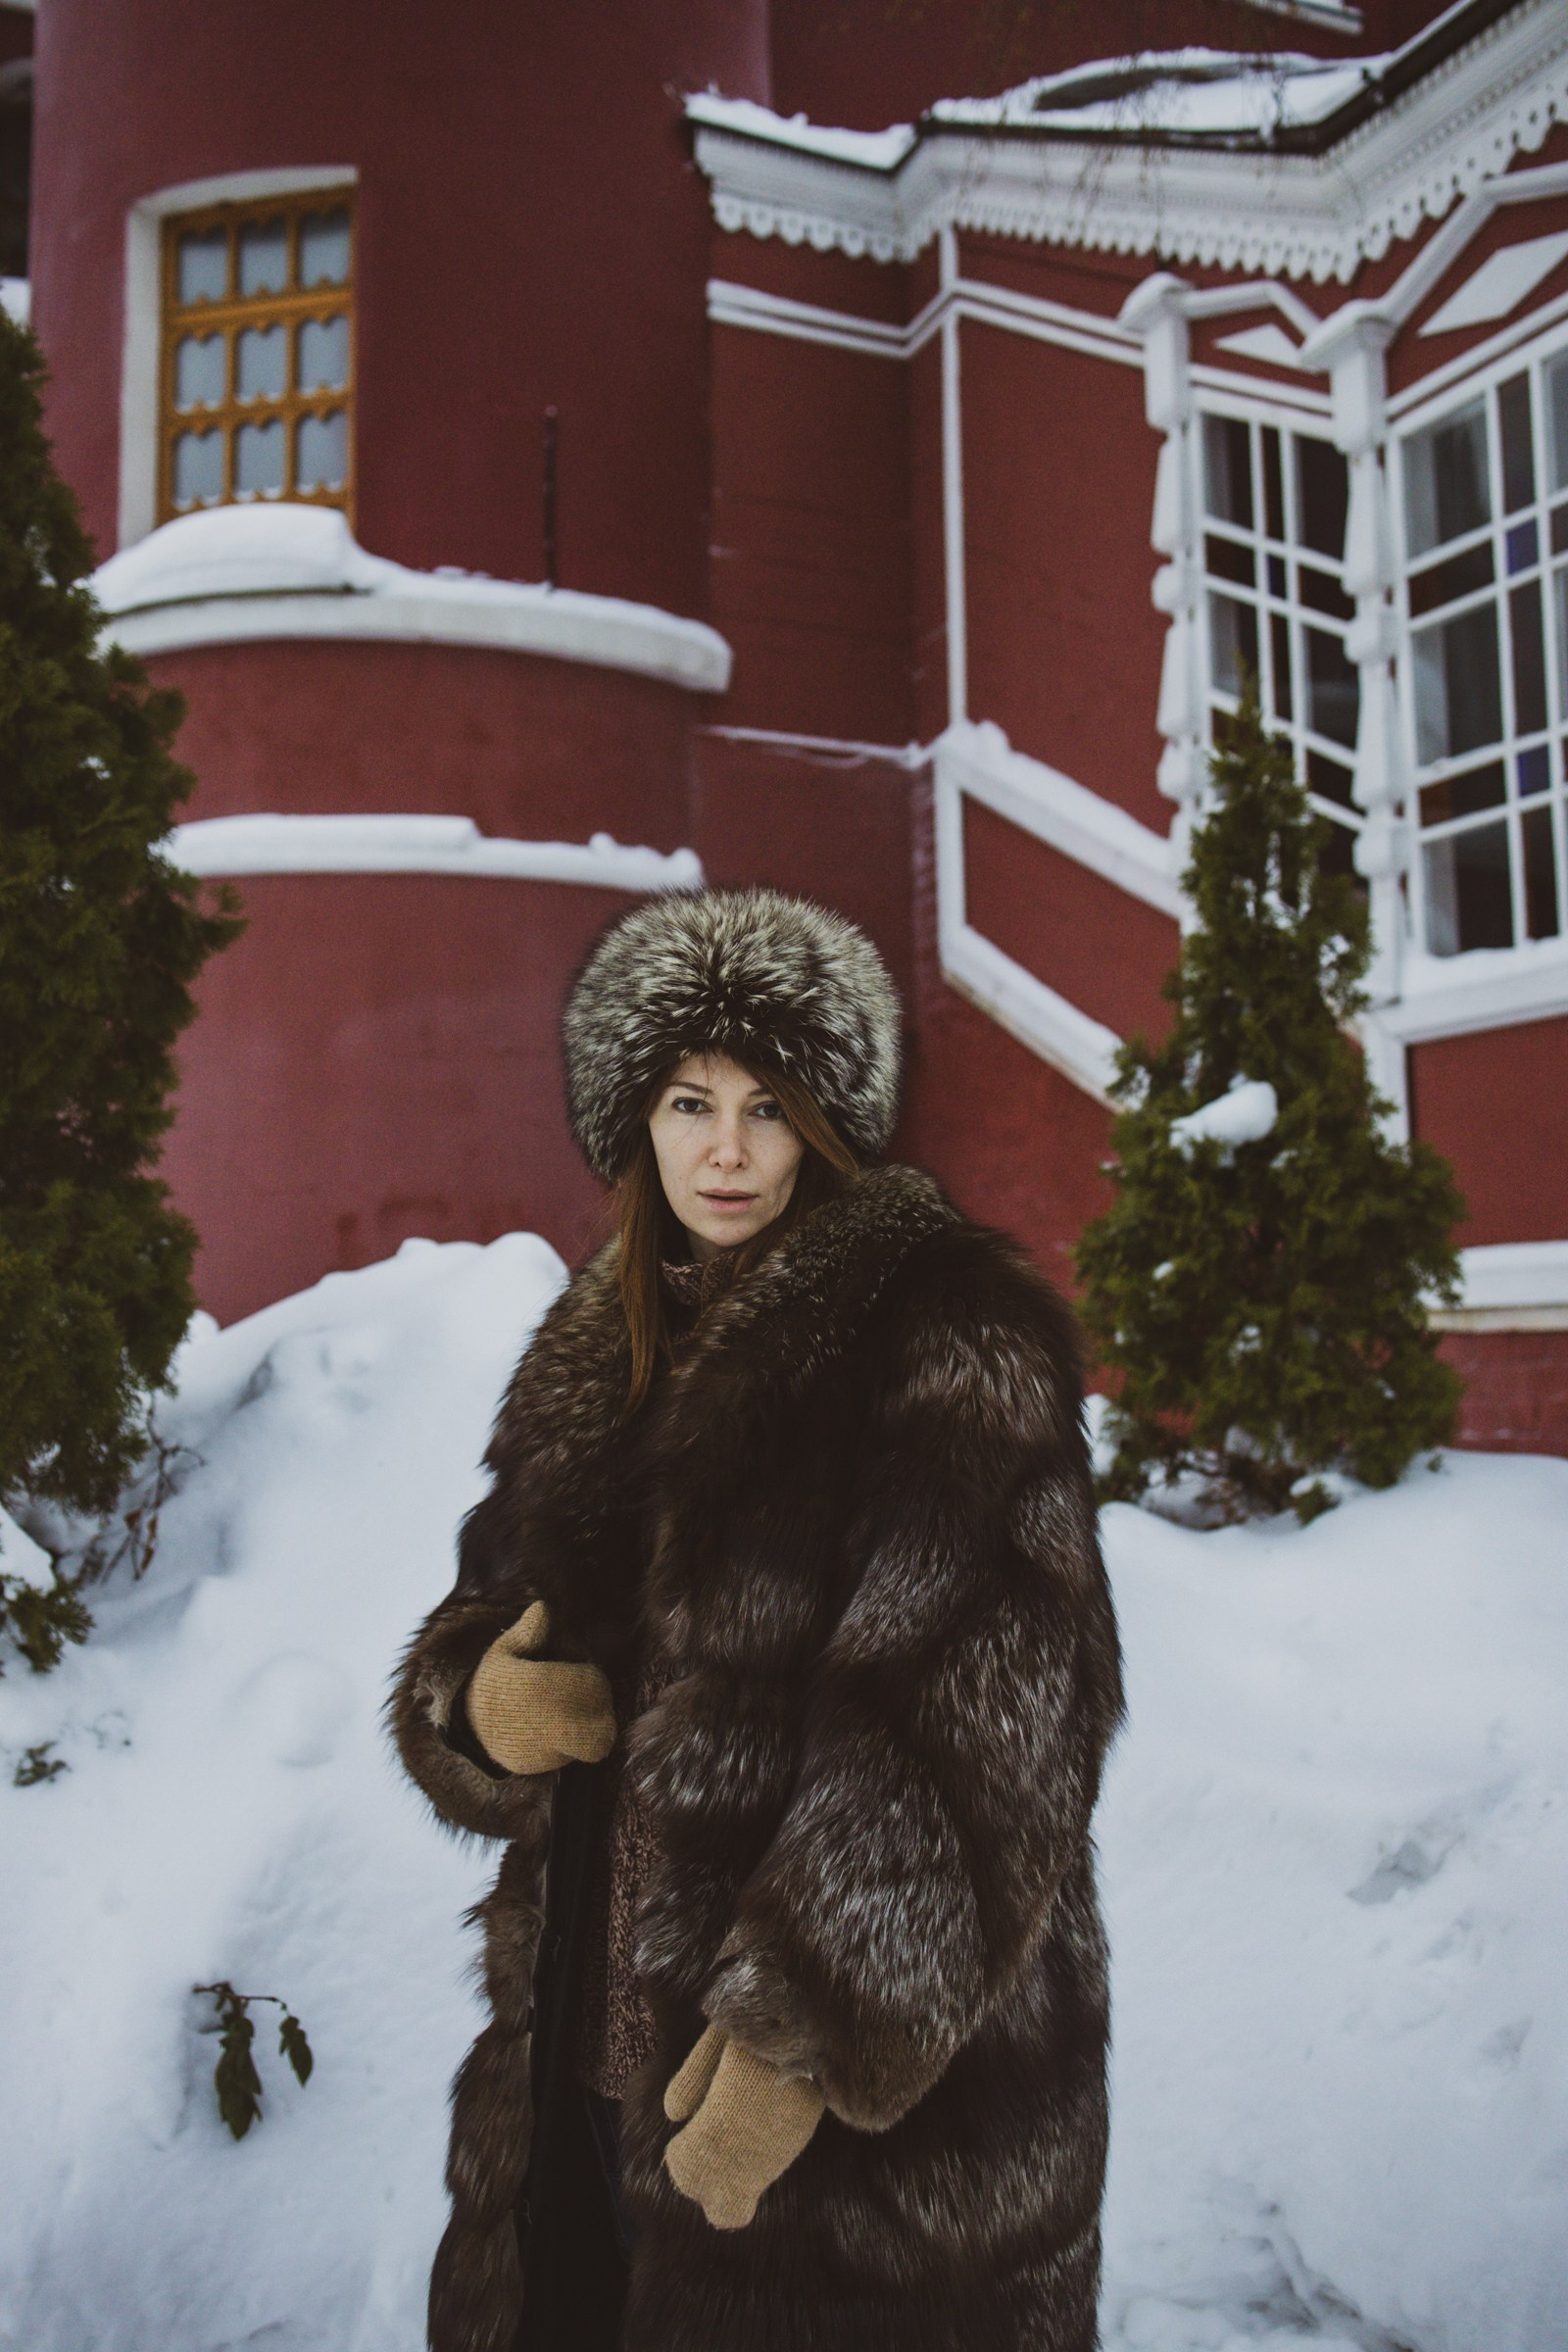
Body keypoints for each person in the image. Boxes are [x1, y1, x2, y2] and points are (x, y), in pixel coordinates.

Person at [389, 885, 1125, 2352]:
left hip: (862, 2116)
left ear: (825, 1127)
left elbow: (985, 1736)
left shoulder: (944, 1334)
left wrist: (805, 2040)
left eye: (768, 1108)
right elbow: (489, 1613)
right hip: (595, 2043)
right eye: (688, 1103)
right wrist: (475, 1704)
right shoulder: (598, 1353)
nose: (725, 1150)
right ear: (634, 1124)